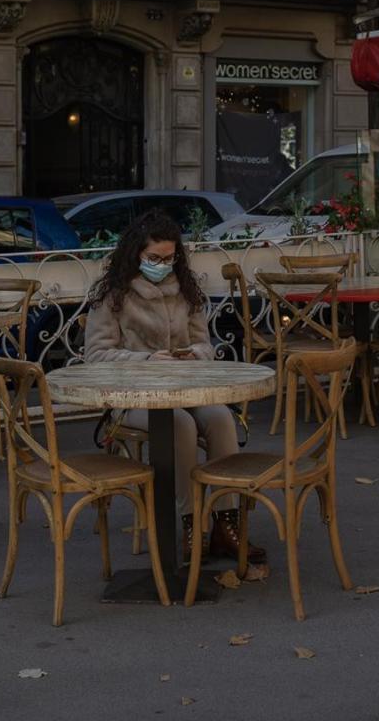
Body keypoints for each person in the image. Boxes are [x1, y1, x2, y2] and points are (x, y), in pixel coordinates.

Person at [83, 210, 263, 562]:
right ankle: (190, 523)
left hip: (186, 387)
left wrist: (191, 355)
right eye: (155, 258)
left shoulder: (186, 291)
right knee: (179, 423)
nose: (163, 264)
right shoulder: (114, 296)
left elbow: (205, 345)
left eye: (169, 258)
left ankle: (226, 522)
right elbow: (96, 356)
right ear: (136, 254)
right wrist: (146, 361)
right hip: (133, 397)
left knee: (221, 419)